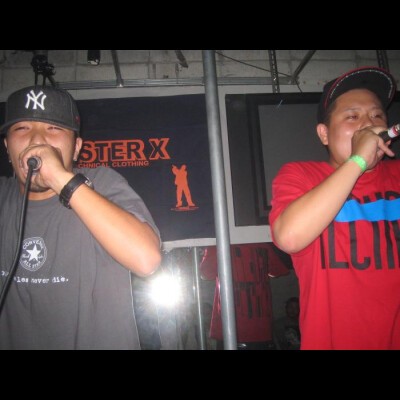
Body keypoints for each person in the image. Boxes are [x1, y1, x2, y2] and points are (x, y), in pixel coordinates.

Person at [0, 85, 162, 349]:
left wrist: (59, 178)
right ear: (7, 146)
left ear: (76, 148)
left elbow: (146, 260)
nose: (36, 140)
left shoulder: (101, 185)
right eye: (22, 128)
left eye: (53, 128)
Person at [269, 66, 400, 350]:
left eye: (377, 115)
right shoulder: (301, 176)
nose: (368, 125)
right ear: (324, 134)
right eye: (352, 116)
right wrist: (358, 161)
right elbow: (289, 236)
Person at [200, 243, 289, 350]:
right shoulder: (262, 244)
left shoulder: (219, 243)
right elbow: (278, 270)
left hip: (229, 329)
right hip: (260, 328)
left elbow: (205, 274)